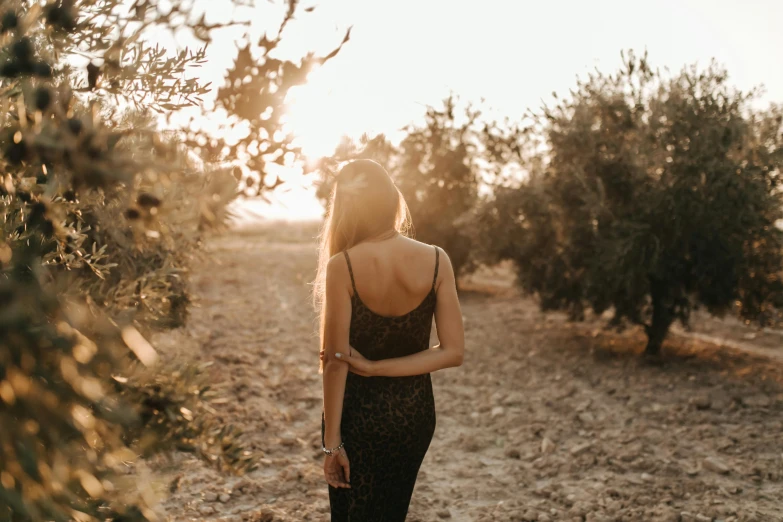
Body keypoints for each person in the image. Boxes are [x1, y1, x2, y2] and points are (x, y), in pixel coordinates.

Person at [313, 159, 465, 521]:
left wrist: (331, 443)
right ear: (390, 200)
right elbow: (453, 352)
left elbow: (334, 361)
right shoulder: (436, 259)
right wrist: (380, 368)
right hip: (414, 416)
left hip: (359, 417)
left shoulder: (342, 266)